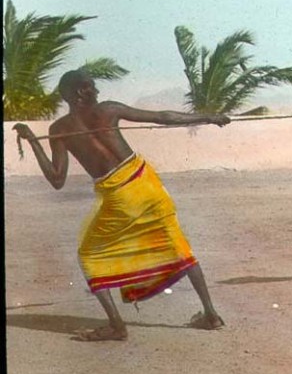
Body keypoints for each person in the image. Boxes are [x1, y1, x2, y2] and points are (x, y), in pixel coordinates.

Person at [13, 69, 230, 341]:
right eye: (92, 86)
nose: (97, 91)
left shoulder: (60, 129)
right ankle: (211, 314)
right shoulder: (108, 110)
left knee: (89, 255)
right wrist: (208, 116)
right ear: (80, 92)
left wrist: (34, 142)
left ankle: (117, 327)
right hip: (148, 185)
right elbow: (163, 117)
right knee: (178, 246)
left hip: (121, 196)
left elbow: (57, 180)